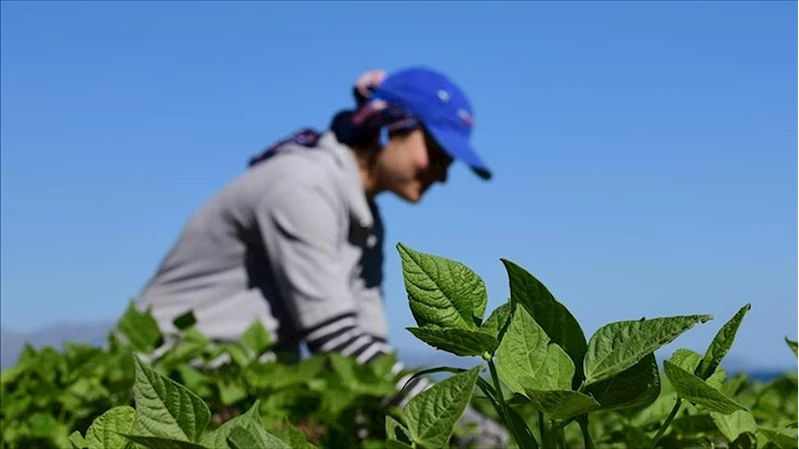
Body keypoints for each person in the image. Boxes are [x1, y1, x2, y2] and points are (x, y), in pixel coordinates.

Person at [133, 66, 508, 447]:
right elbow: (335, 337)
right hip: (168, 377)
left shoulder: (363, 218)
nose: (442, 175)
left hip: (235, 388)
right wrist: (464, 429)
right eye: (437, 153)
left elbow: (367, 351)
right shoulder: (301, 186)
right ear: (387, 127)